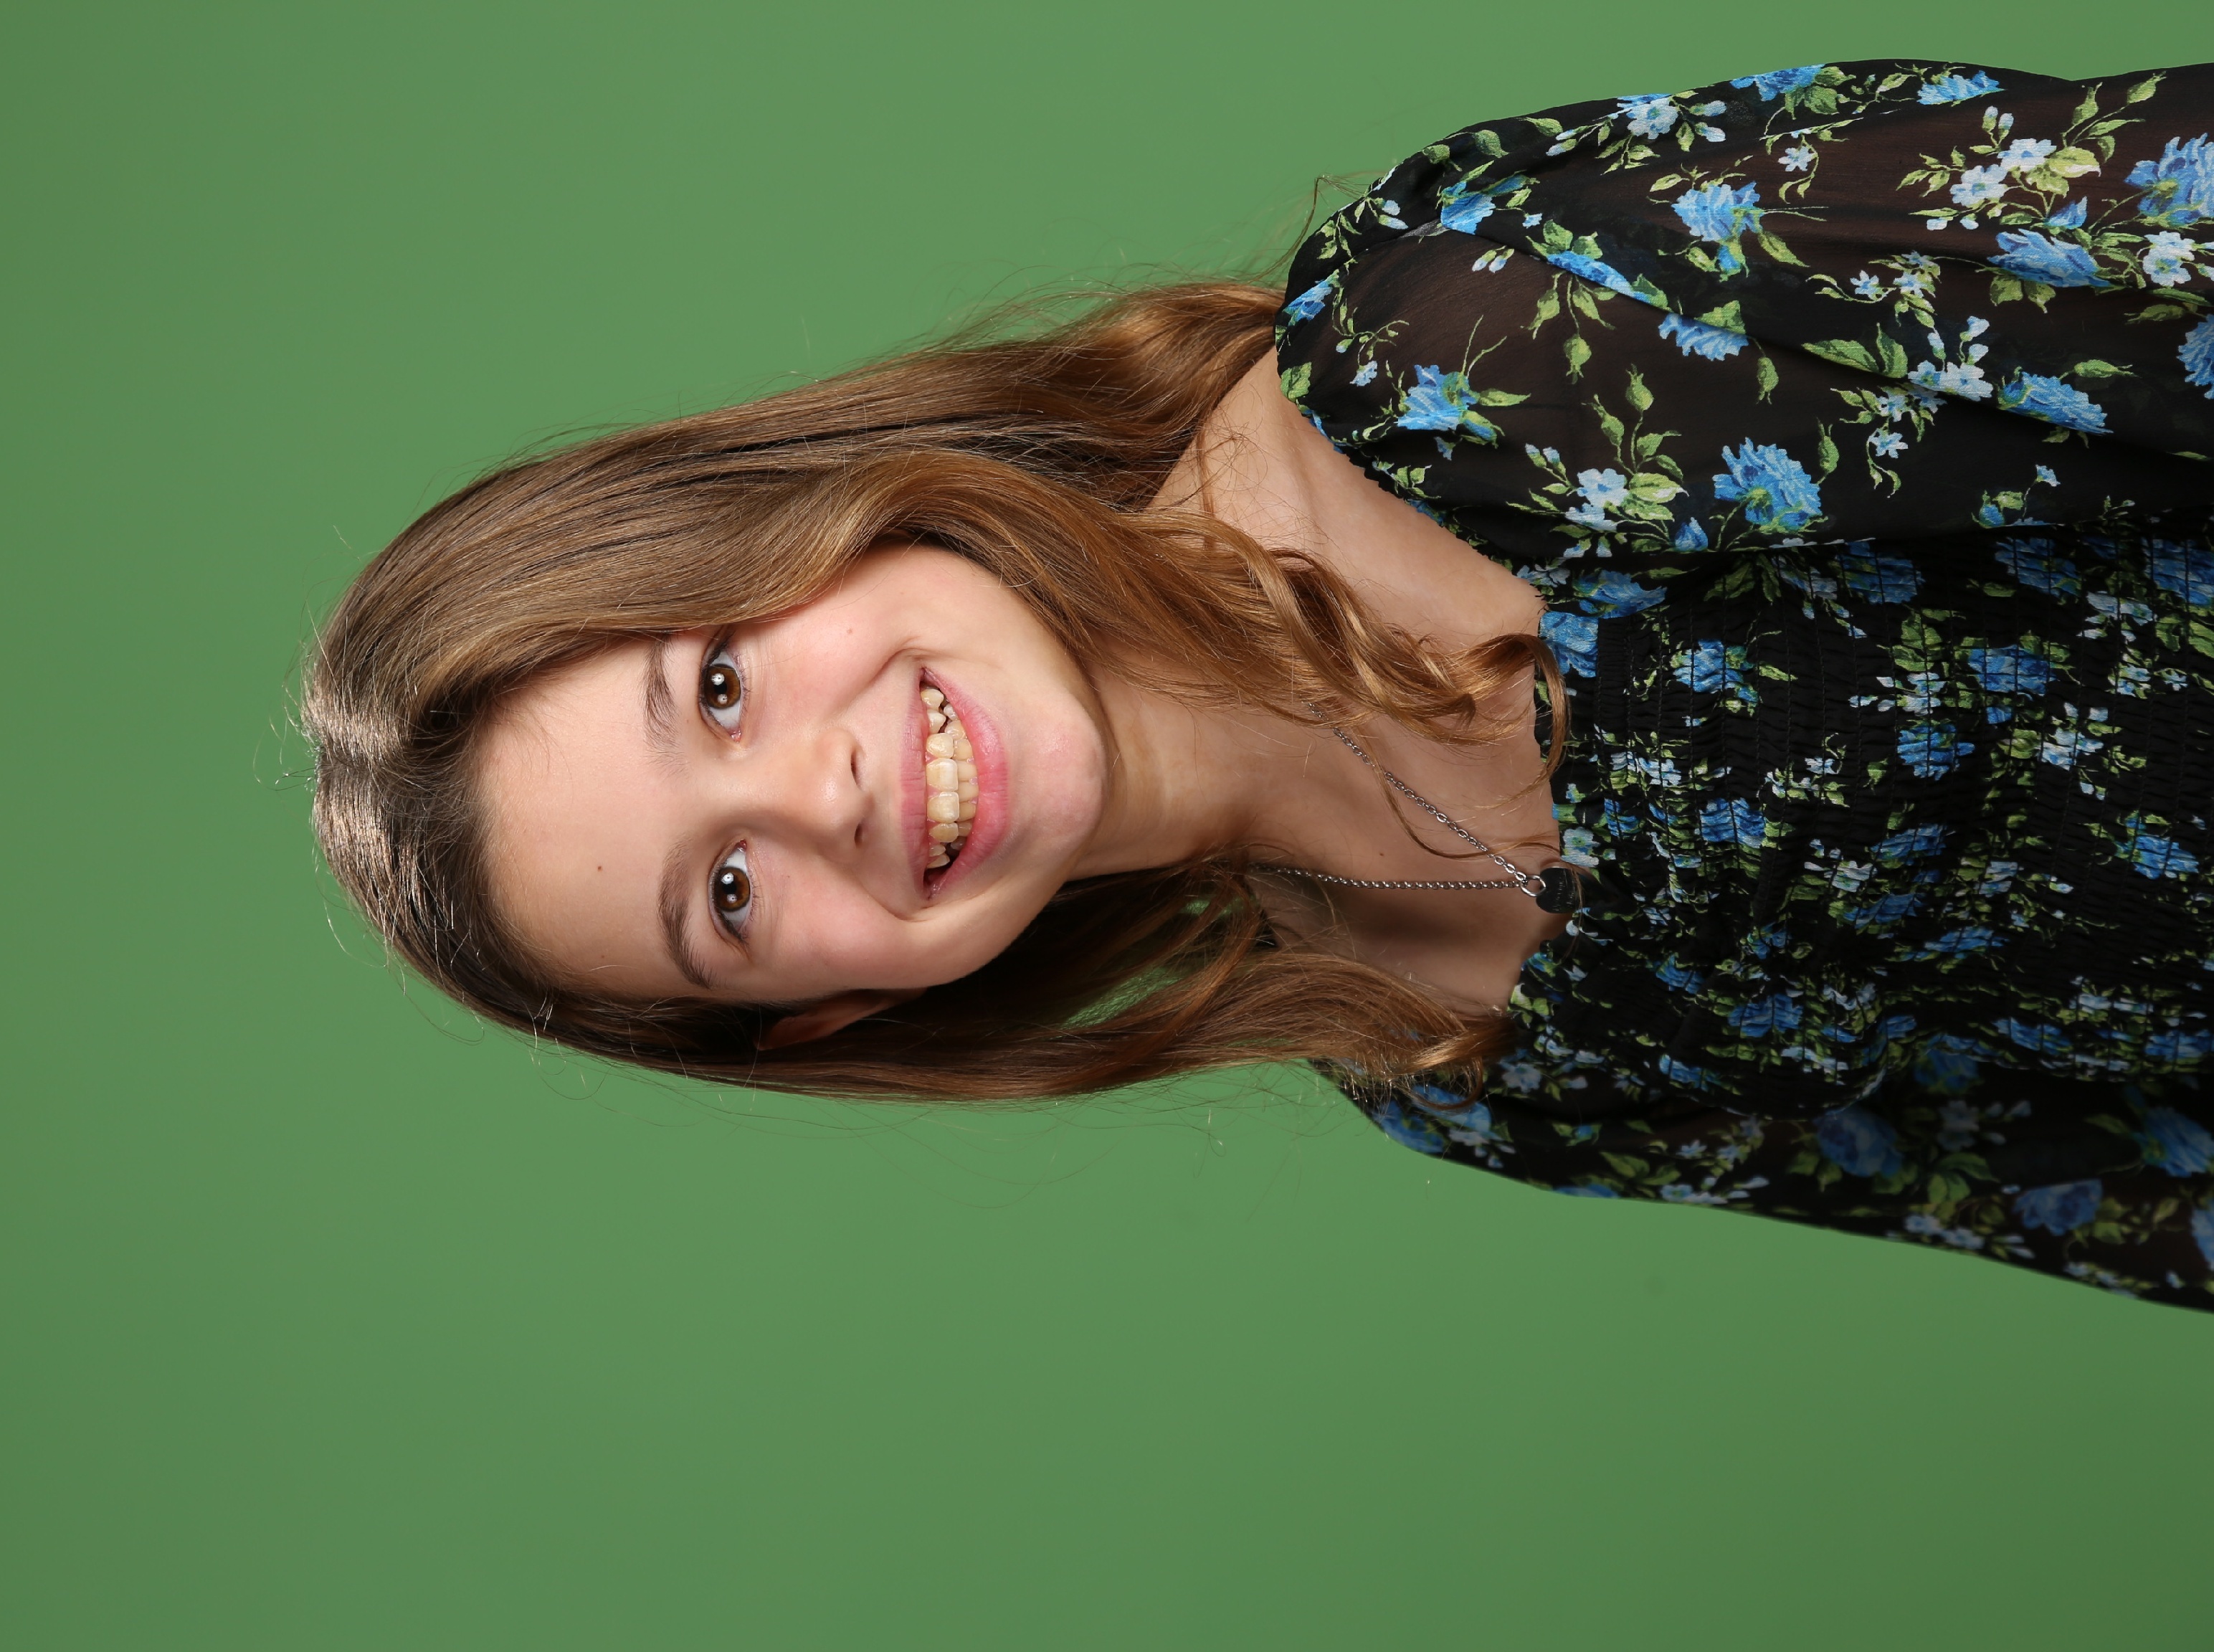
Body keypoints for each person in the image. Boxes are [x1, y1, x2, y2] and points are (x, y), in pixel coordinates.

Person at [305, 60, 2214, 1309]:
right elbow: (2124, 1184)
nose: (822, 795)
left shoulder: (1462, 336)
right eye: (726, 894)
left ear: (798, 515)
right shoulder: (1461, 1072)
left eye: (721, 689)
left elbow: (2167, 237)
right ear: (826, 1011)